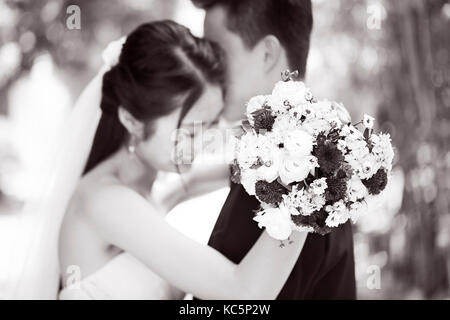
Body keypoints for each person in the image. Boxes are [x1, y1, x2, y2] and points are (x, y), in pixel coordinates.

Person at [55, 20, 308, 300]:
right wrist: (311, 192)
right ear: (132, 120)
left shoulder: (154, 190)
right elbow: (244, 294)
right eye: (188, 132)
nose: (201, 142)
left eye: (210, 124)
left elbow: (227, 171)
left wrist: (298, 146)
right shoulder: (105, 201)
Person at [173, 0, 356, 299]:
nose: (205, 73)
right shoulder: (311, 163)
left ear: (268, 53)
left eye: (217, 55)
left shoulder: (294, 181)